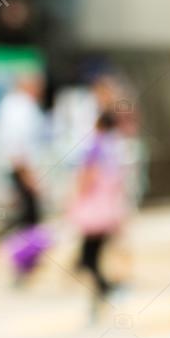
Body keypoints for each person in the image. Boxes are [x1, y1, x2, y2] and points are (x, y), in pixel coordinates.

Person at [68, 112, 128, 319]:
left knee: (88, 256)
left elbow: (87, 176)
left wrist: (75, 198)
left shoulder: (95, 146)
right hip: (109, 208)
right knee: (93, 255)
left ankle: (107, 288)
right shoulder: (116, 147)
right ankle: (104, 290)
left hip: (94, 209)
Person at [0, 75, 47, 235]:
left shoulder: (10, 104)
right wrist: (27, 176)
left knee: (19, 212)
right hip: (20, 167)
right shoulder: (22, 107)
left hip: (18, 166)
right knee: (26, 215)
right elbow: (17, 143)